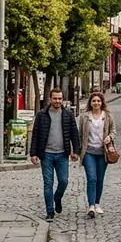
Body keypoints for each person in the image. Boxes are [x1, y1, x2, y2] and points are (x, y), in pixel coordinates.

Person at [30, 90, 81, 222]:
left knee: (63, 181)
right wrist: (33, 153)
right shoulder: (42, 115)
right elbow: (35, 134)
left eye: (60, 99)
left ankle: (57, 197)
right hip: (46, 154)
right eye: (55, 99)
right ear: (50, 99)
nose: (57, 101)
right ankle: (50, 211)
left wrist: (76, 151)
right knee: (48, 183)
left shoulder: (68, 115)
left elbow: (74, 134)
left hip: (62, 154)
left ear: (62, 99)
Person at [78, 93, 116, 219]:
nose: (96, 103)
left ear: (102, 102)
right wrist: (77, 151)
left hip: (102, 152)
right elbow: (80, 134)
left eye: (98, 101)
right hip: (89, 152)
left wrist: (110, 137)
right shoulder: (84, 117)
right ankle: (91, 206)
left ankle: (97, 203)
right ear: (90, 102)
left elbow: (113, 130)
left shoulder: (108, 116)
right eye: (94, 101)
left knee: (100, 179)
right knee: (92, 178)